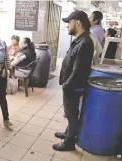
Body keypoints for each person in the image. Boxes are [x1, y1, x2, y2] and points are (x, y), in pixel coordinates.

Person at [53, 11, 94, 151]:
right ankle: (67, 133)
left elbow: (78, 71)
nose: (67, 26)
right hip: (72, 84)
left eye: (69, 22)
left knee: (71, 114)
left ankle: (69, 142)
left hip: (73, 86)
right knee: (70, 112)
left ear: (77, 23)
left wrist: (66, 85)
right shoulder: (80, 40)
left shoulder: (85, 42)